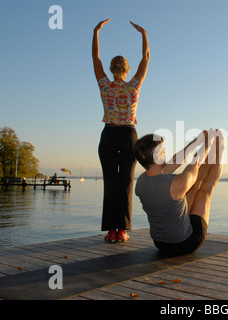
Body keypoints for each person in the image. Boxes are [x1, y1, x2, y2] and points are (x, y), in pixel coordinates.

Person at [92, 18, 150, 243]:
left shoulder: (104, 85)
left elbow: (95, 57)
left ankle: (111, 231)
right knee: (126, 182)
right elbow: (145, 58)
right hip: (128, 135)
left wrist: (96, 32)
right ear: (127, 69)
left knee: (110, 182)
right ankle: (122, 231)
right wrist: (143, 33)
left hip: (108, 134)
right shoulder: (134, 85)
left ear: (111, 69)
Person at [134, 129, 225, 255]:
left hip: (160, 243)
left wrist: (196, 142)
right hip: (186, 243)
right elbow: (195, 163)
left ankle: (216, 150)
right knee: (204, 190)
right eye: (163, 151)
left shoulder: (141, 182)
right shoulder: (175, 184)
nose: (165, 153)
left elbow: (177, 160)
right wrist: (207, 144)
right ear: (157, 156)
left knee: (190, 189)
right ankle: (220, 150)